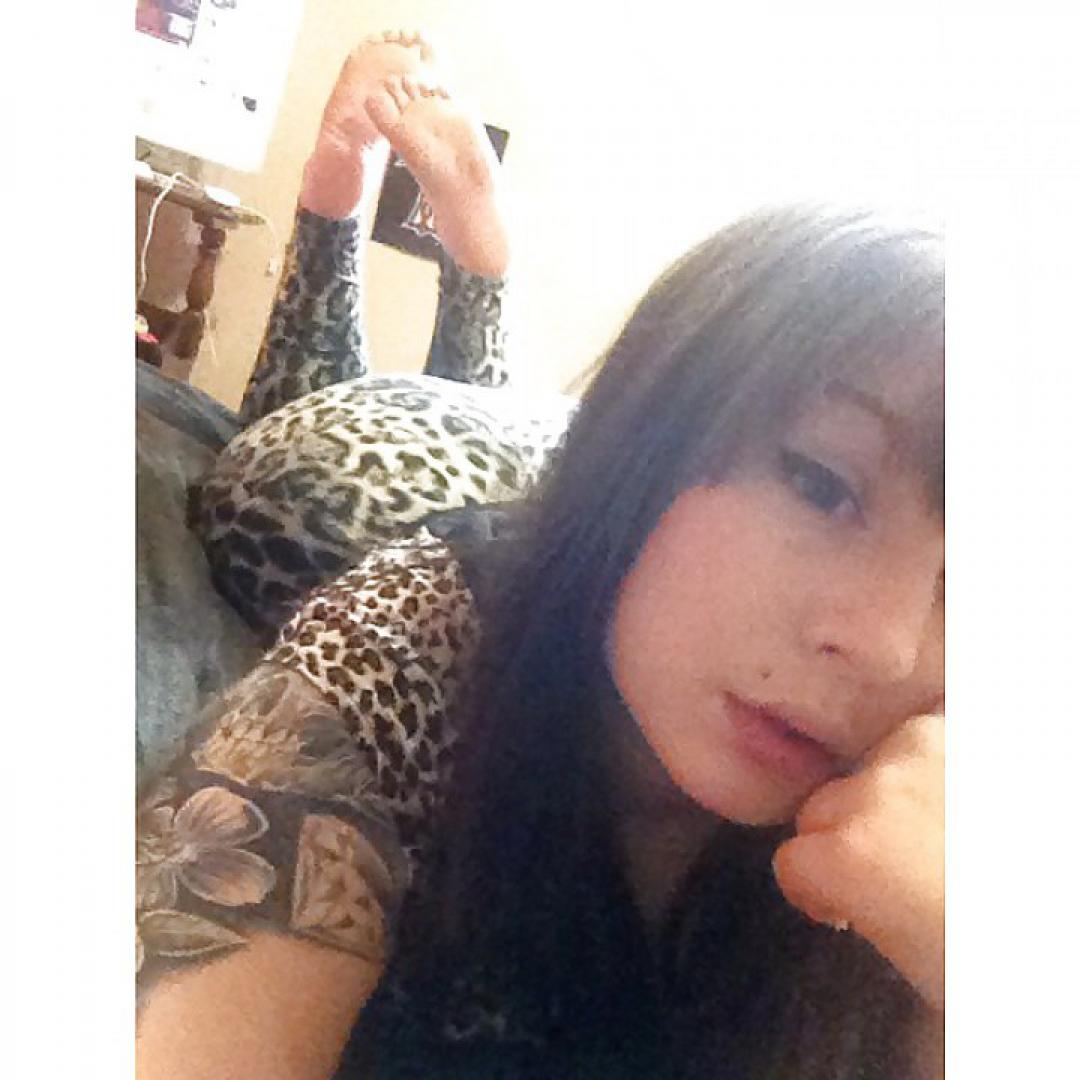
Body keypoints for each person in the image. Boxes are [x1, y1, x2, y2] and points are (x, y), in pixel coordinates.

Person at [136, 31, 945, 1080]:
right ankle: (405, 246)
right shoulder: (399, 660)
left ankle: (474, 281)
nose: (884, 645)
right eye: (821, 482)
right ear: (650, 431)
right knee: (279, 469)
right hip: (347, 466)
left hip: (514, 453)